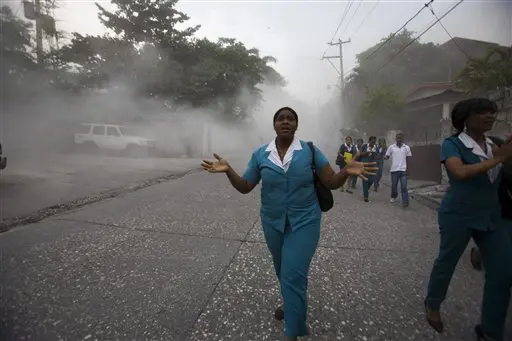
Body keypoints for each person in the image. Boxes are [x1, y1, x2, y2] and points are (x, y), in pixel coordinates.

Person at [201, 107, 377, 341]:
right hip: (272, 222)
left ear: (296, 125)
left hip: (305, 221)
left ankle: (293, 332)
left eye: (290, 119)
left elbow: (332, 182)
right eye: (281, 119)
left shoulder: (310, 151)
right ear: (274, 125)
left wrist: (346, 171)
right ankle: (291, 303)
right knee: (283, 270)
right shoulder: (261, 154)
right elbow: (245, 187)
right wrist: (228, 171)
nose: (286, 122)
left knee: (293, 274)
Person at [424, 98, 512, 341]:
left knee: (504, 273)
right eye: (482, 112)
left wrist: (507, 156)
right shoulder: (452, 144)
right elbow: (459, 172)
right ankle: (432, 303)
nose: (490, 116)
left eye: (492, 112)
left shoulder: (498, 143)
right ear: (465, 117)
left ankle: (490, 330)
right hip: (458, 215)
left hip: (492, 216)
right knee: (447, 261)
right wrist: (497, 159)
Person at [384, 132, 412, 207]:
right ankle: (393, 195)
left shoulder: (406, 147)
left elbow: (408, 159)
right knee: (394, 186)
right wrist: (385, 157)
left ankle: (405, 201)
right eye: (397, 138)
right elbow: (387, 156)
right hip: (394, 170)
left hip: (403, 170)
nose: (399, 139)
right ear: (395, 139)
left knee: (404, 187)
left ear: (403, 139)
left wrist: (408, 169)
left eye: (400, 138)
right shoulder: (391, 147)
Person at [359, 136, 380, 202]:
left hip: (373, 166)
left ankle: (366, 190)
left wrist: (375, 155)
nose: (372, 143)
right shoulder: (364, 146)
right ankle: (366, 197)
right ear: (369, 141)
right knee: (365, 180)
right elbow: (359, 153)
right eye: (371, 141)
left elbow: (378, 156)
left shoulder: (376, 147)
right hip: (364, 165)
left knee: (371, 180)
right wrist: (366, 153)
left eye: (374, 142)